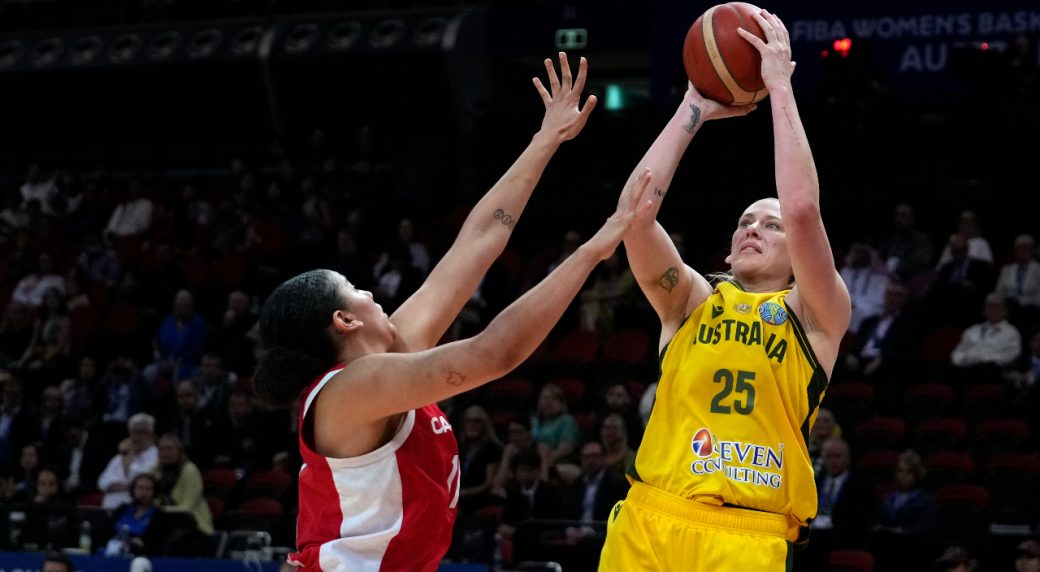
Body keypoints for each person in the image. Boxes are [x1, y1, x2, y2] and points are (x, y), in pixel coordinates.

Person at [252, 53, 653, 571]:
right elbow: (496, 352)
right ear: (344, 321)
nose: (372, 295)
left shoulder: (392, 356)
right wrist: (589, 254)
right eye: (355, 290)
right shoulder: (349, 390)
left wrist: (546, 138)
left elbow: (479, 239)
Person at [599, 10, 852, 571]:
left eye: (770, 224)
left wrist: (780, 85)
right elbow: (634, 217)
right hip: (648, 520)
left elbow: (804, 208)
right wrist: (693, 109)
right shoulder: (690, 300)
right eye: (744, 221)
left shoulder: (815, 314)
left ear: (798, 254)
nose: (751, 228)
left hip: (746, 535)